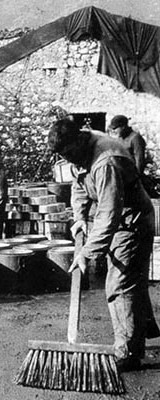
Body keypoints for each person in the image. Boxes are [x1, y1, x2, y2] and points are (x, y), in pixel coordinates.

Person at [48, 118, 160, 371]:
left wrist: (87, 253)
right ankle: (139, 333)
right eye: (64, 155)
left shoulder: (105, 161)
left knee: (119, 283)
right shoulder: (79, 152)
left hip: (132, 221)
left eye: (69, 153)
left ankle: (128, 351)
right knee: (130, 280)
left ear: (78, 140)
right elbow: (78, 185)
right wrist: (79, 218)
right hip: (116, 217)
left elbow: (110, 213)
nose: (69, 159)